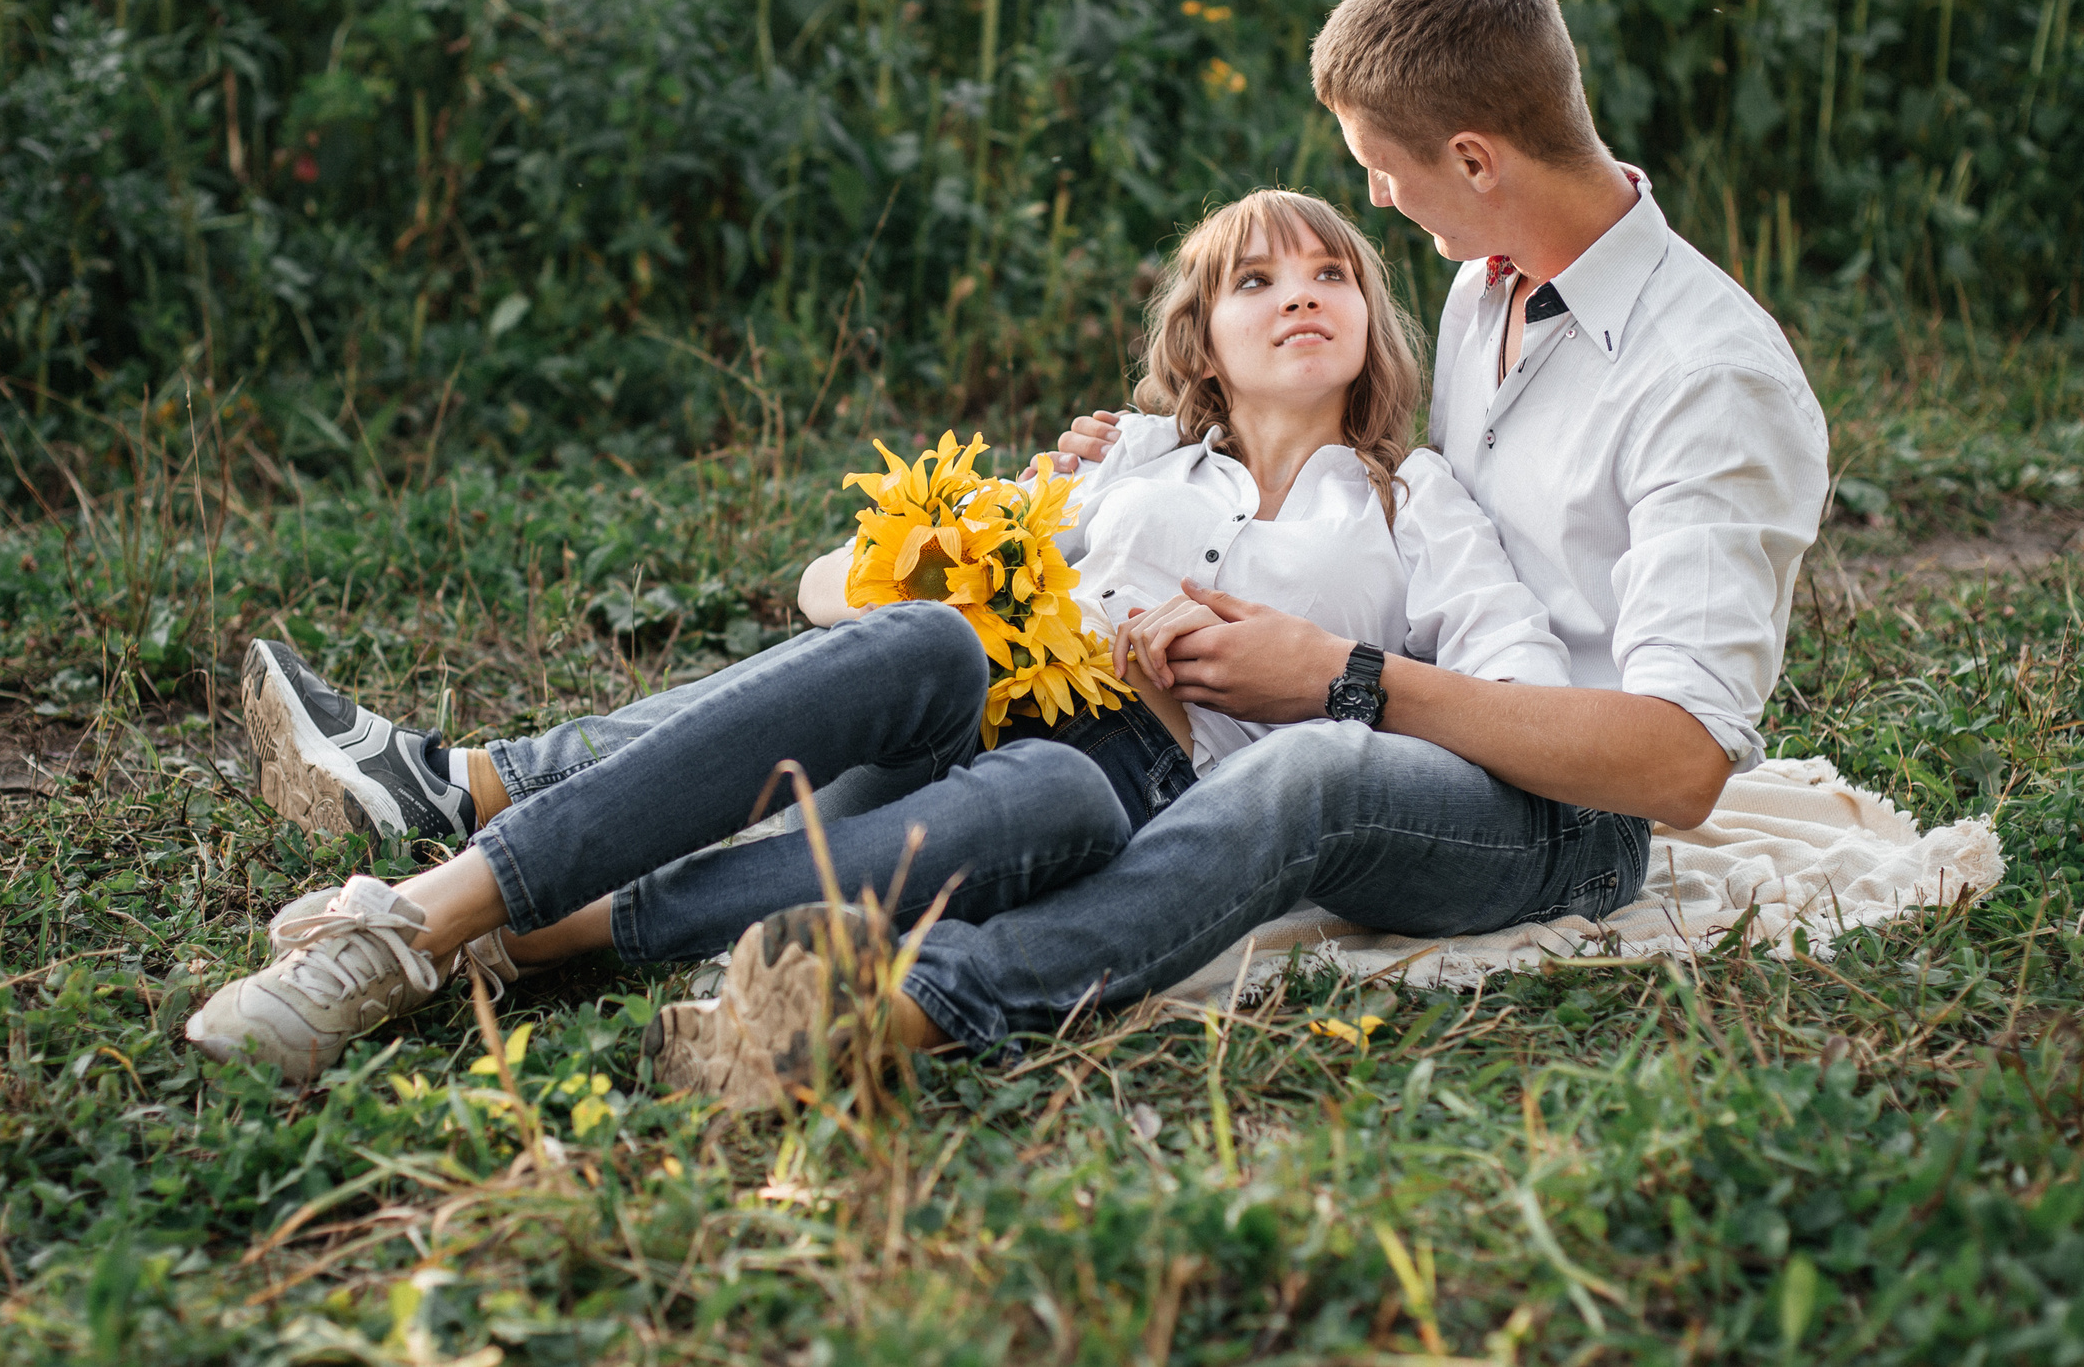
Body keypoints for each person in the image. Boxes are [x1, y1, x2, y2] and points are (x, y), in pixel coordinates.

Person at [660, 0, 1832, 1069]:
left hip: (1566, 815)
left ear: (1475, 159)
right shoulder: (1493, 278)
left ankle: (902, 1007)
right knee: (960, 691)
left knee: (1308, 766)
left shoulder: (1708, 378)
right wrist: (1157, 453)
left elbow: (1680, 765)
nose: (1375, 198)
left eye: (1384, 164)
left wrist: (1345, 677)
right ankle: (616, 864)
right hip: (1437, 700)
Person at [186, 189, 1571, 1105]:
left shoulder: (1413, 498)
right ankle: (419, 916)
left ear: (1376, 323)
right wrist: (946, 565)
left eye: (1334, 271)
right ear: (1199, 337)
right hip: (952, 719)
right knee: (927, 644)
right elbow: (824, 591)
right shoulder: (1124, 463)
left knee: (1062, 791)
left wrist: (1319, 672)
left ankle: (535, 921)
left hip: (1139, 787)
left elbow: (1519, 699)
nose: (1301, 293)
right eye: (1256, 278)